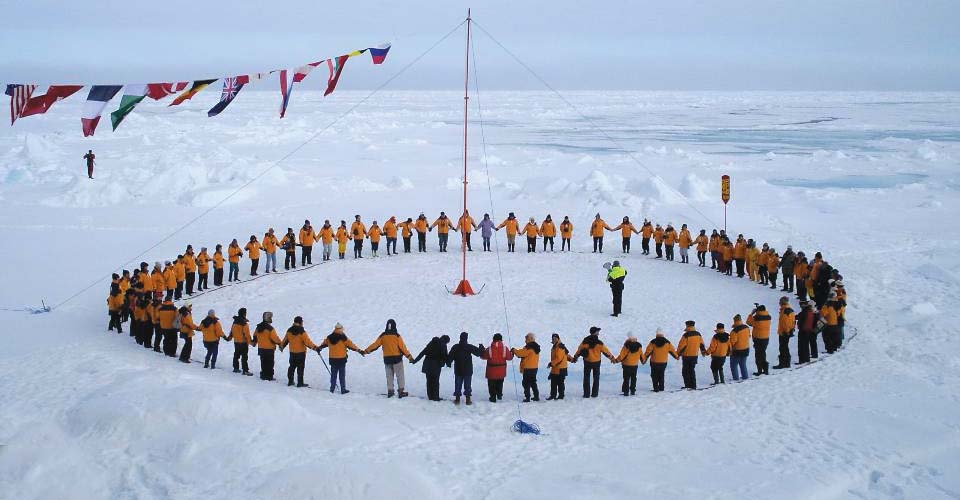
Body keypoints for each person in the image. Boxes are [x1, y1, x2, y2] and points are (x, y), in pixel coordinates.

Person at [364, 319, 414, 398]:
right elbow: (403, 348)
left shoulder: (383, 335)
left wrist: (366, 351)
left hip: (387, 359)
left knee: (389, 376)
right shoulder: (397, 336)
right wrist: (409, 357)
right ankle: (401, 391)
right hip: (397, 359)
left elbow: (375, 345)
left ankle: (390, 391)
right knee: (400, 375)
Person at [318, 323, 364, 394]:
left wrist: (319, 348)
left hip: (332, 359)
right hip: (341, 359)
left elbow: (323, 344)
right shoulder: (343, 338)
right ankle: (343, 389)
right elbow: (351, 345)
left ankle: (332, 389)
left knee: (333, 375)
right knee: (342, 375)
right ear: (341, 329)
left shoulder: (329, 337)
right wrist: (359, 350)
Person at [572, 326, 616, 398]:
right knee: (596, 378)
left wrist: (575, 357)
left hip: (587, 362)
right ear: (595, 332)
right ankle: (594, 394)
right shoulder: (599, 343)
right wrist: (612, 358)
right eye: (597, 331)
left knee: (586, 377)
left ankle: (586, 394)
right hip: (596, 362)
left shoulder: (585, 341)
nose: (598, 333)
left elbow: (579, 350)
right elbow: (606, 352)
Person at [280, 316, 319, 387]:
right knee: (300, 368)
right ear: (300, 322)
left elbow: (285, 340)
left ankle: (290, 381)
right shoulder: (302, 331)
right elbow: (307, 342)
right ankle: (300, 383)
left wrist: (281, 346)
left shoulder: (289, 330)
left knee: (292, 367)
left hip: (292, 352)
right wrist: (315, 348)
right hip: (301, 353)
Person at [447, 331, 483, 405]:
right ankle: (468, 400)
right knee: (467, 385)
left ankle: (457, 400)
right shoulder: (469, 346)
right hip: (468, 370)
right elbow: (478, 353)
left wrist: (448, 363)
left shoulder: (455, 347)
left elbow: (450, 358)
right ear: (466, 338)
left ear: (460, 338)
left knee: (458, 385)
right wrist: (481, 347)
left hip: (458, 370)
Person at [412, 335, 450, 401]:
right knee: (435, 382)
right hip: (436, 365)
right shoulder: (443, 345)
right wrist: (448, 363)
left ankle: (430, 396)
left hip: (427, 365)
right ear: (446, 341)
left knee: (429, 381)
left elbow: (422, 353)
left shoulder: (431, 343)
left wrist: (415, 361)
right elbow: (445, 356)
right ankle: (436, 397)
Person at [481, 333, 514, 402]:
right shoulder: (505, 348)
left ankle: (493, 397)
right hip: (501, 371)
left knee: (491, 385)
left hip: (491, 371)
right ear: (501, 339)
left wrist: (482, 350)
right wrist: (512, 353)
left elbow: (483, 357)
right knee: (500, 383)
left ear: (493, 339)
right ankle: (499, 395)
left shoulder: (489, 349)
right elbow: (510, 358)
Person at [677, 320, 708, 389]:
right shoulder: (698, 334)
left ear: (687, 326)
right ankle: (693, 385)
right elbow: (702, 344)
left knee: (685, 371)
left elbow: (682, 346)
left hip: (686, 356)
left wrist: (678, 353)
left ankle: (687, 385)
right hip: (694, 355)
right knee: (691, 370)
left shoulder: (686, 335)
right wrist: (703, 351)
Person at [512, 333, 541, 402]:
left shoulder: (529, 347)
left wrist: (514, 350)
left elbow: (520, 354)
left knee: (526, 383)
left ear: (530, 339)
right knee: (533, 382)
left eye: (526, 339)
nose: (525, 341)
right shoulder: (536, 347)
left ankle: (527, 398)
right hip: (534, 368)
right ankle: (536, 396)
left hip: (528, 368)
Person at [253, 312, 283, 381]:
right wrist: (280, 343)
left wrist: (255, 342)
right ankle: (269, 376)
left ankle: (263, 375)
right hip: (269, 349)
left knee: (263, 362)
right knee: (270, 363)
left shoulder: (258, 327)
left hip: (261, 348)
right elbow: (275, 338)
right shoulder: (270, 329)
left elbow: (255, 335)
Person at [225, 307, 253, 375]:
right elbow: (247, 334)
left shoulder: (234, 322)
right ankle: (245, 370)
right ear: (244, 314)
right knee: (244, 357)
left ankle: (236, 368)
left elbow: (232, 331)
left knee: (236, 355)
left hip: (236, 342)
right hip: (243, 343)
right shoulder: (244, 324)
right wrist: (251, 342)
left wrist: (229, 338)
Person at [747, 304, 772, 376]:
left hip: (758, 339)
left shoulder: (757, 318)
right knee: (763, 354)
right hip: (766, 338)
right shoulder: (768, 317)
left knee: (758, 355)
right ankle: (765, 370)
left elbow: (748, 322)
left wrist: (751, 314)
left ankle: (759, 371)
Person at [546, 333, 572, 400]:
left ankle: (561, 396)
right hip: (556, 368)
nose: (554, 339)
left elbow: (559, 358)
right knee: (553, 383)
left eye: (555, 338)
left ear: (558, 338)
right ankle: (553, 395)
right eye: (553, 338)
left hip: (561, 368)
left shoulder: (560, 346)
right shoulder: (556, 346)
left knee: (560, 383)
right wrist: (572, 359)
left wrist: (551, 363)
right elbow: (565, 355)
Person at [774, 296, 796, 369]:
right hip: (788, 331)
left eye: (780, 302)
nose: (779, 303)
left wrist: (786, 331)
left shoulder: (784, 311)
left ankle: (783, 364)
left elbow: (785, 323)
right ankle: (787, 363)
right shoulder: (790, 310)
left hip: (784, 332)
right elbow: (793, 321)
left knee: (783, 348)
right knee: (785, 347)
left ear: (782, 302)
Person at [729, 314, 751, 381]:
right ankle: (745, 377)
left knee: (734, 365)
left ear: (734, 321)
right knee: (743, 364)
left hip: (737, 350)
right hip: (746, 349)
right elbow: (749, 336)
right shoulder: (746, 327)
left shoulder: (734, 331)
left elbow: (732, 342)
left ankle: (736, 379)